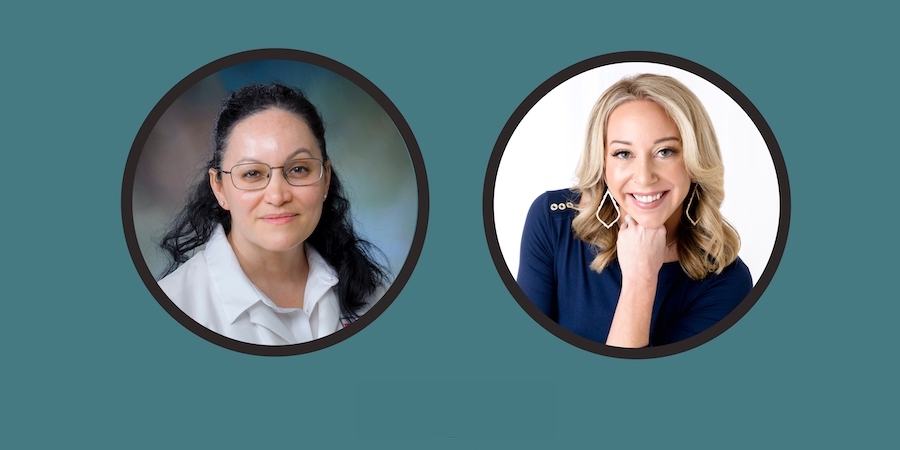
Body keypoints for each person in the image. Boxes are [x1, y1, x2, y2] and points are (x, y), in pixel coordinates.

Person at [517, 74, 752, 348]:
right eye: (623, 154)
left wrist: (641, 278)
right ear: (603, 163)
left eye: (665, 151)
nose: (644, 176)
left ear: (694, 161)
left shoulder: (727, 282)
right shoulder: (552, 219)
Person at [157, 83, 388, 345]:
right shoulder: (175, 305)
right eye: (252, 173)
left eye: (299, 169)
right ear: (219, 188)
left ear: (325, 179)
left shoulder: (371, 294)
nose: (278, 196)